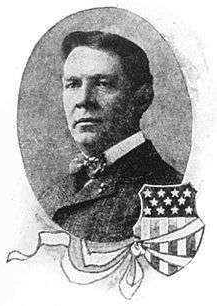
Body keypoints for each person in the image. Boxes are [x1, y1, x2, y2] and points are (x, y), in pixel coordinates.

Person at [39, 31, 183, 243]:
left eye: (102, 84)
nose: (83, 100)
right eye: (73, 84)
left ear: (142, 98)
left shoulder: (167, 195)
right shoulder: (51, 195)